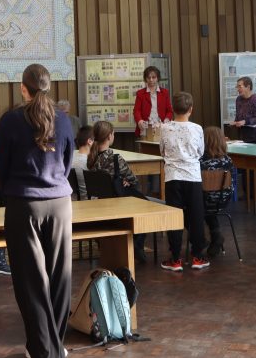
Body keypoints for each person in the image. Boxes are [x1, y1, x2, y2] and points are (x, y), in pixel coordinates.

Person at [0, 64, 74, 358]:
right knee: (59, 277)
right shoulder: (63, 119)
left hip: (24, 203)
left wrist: (14, 190)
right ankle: (51, 345)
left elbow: (1, 166)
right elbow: (67, 161)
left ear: (22, 88)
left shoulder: (10, 120)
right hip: (60, 203)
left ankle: (46, 354)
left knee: (30, 281)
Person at [158, 92, 208, 271]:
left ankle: (175, 259)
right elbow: (201, 152)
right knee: (196, 216)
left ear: (172, 108)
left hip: (173, 177)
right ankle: (197, 257)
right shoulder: (197, 128)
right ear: (191, 109)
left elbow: (162, 150)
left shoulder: (165, 128)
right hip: (193, 176)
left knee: (175, 217)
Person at [86, 120, 149, 261]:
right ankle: (137, 244)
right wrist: (124, 180)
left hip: (101, 202)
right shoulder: (115, 158)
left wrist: (120, 179)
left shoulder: (91, 158)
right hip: (118, 202)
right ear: (109, 136)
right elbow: (134, 180)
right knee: (146, 205)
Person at [232, 76, 256, 201]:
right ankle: (248, 193)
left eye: (240, 86)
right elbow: (238, 115)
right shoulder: (238, 100)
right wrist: (236, 122)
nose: (238, 89)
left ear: (248, 87)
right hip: (245, 137)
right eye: (237, 86)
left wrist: (245, 121)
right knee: (246, 166)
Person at [201, 126, 234, 258]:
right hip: (223, 200)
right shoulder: (228, 160)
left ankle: (198, 238)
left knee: (186, 209)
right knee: (209, 209)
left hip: (204, 200)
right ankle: (216, 237)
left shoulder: (200, 162)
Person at [133, 65, 172, 137]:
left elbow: (169, 111)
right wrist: (139, 121)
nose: (151, 80)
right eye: (148, 77)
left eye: (153, 77)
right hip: (145, 129)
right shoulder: (140, 93)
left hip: (161, 127)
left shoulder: (165, 92)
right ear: (145, 79)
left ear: (157, 78)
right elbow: (136, 111)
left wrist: (167, 119)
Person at [73, 125, 93, 200]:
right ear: (89, 141)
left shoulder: (70, 157)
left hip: (73, 199)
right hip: (88, 200)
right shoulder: (89, 161)